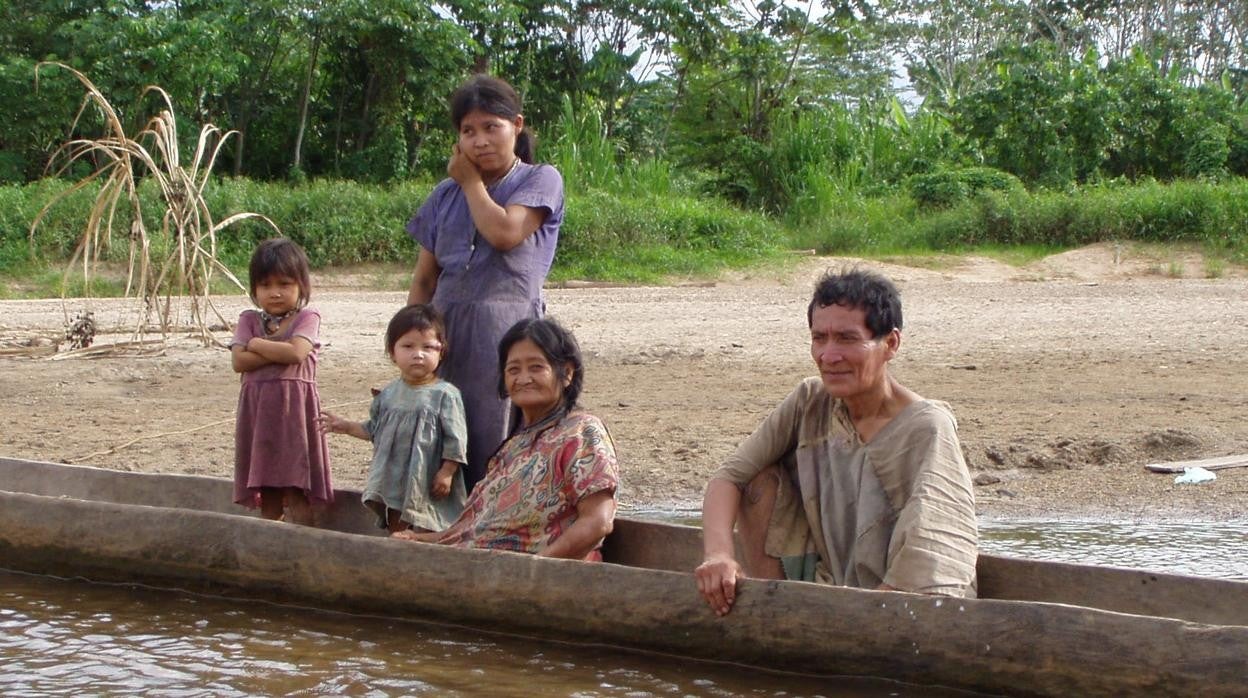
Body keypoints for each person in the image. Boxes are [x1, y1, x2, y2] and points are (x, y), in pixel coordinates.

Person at [695, 268, 977, 616]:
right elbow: (729, 477)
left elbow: (935, 540)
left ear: (890, 344)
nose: (828, 356)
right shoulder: (810, 401)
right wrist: (718, 555)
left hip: (901, 604)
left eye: (846, 339)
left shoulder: (927, 427)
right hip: (829, 585)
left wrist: (876, 611)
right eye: (819, 338)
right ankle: (776, 612)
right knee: (757, 479)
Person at [406, 74, 564, 494]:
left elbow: (505, 233)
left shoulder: (541, 179)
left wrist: (470, 182)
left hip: (506, 335)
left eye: (491, 127)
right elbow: (425, 278)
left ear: (517, 125)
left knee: (493, 435)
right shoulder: (444, 195)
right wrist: (412, 341)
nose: (480, 141)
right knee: (438, 435)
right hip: (444, 333)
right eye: (468, 131)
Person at [394, 318, 618, 561]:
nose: (523, 378)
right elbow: (471, 532)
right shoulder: (513, 446)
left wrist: (534, 568)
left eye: (536, 367)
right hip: (476, 566)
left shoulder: (582, 432)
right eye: (513, 370)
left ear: (566, 373)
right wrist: (420, 539)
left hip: (531, 574)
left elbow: (598, 522)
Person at [319, 305, 469, 533]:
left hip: (427, 477)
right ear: (392, 352)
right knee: (396, 519)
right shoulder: (388, 394)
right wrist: (347, 426)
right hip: (394, 477)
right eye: (408, 346)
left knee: (427, 522)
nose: (418, 354)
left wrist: (447, 472)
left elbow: (456, 439)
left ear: (441, 352)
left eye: (428, 347)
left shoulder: (445, 395)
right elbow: (375, 430)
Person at [230, 238, 334, 525]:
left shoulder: (307, 317)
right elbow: (239, 362)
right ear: (254, 289)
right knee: (267, 485)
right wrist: (279, 350)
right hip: (259, 414)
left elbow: (297, 353)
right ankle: (270, 540)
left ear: (301, 285)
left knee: (296, 482)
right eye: (265, 285)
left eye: (284, 284)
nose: (275, 293)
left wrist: (255, 344)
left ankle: (303, 540)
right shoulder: (248, 319)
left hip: (294, 414)